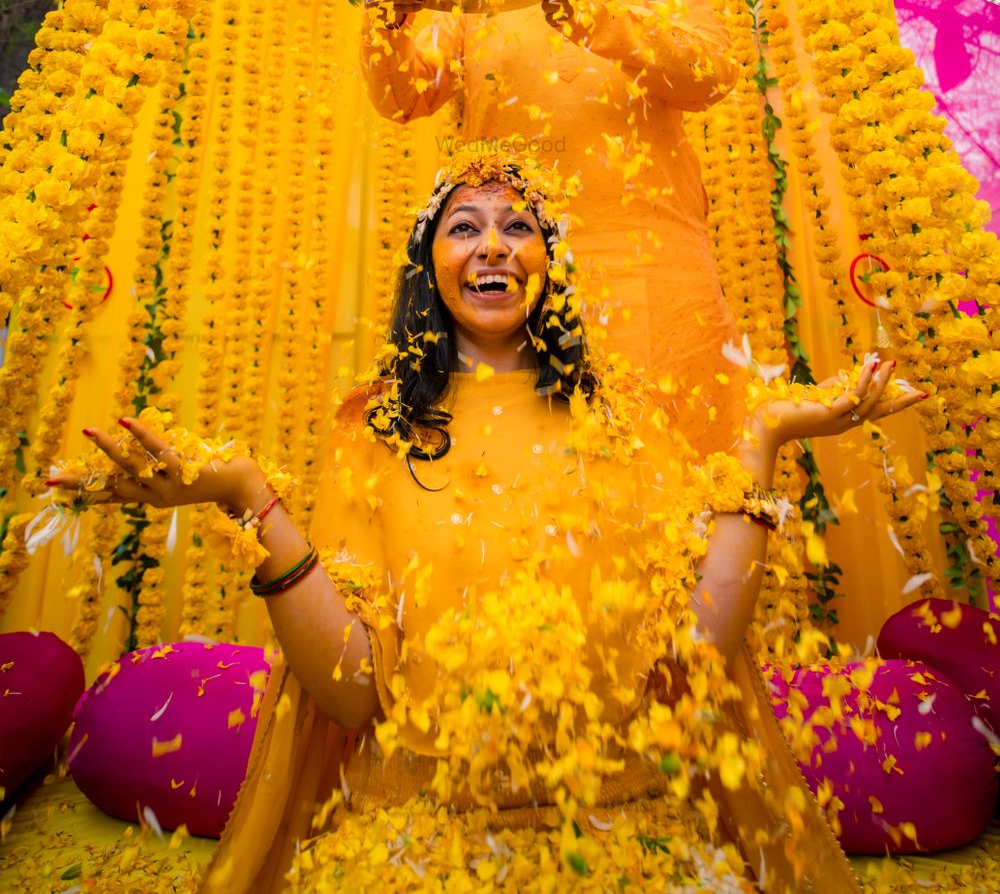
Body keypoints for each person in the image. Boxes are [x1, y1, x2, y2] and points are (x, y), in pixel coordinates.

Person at [49, 150, 921, 893]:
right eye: (464, 225)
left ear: (550, 259)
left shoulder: (624, 418)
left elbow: (694, 657)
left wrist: (763, 439)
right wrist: (248, 497)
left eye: (518, 225)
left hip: (617, 828)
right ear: (427, 261)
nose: (493, 245)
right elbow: (354, 693)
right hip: (421, 837)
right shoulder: (375, 427)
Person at [358, 0, 746, 453]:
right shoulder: (476, 4)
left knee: (685, 456)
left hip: (655, 266)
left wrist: (593, 12)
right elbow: (404, 97)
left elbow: (712, 74)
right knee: (531, 464)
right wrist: (387, 17)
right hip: (512, 270)